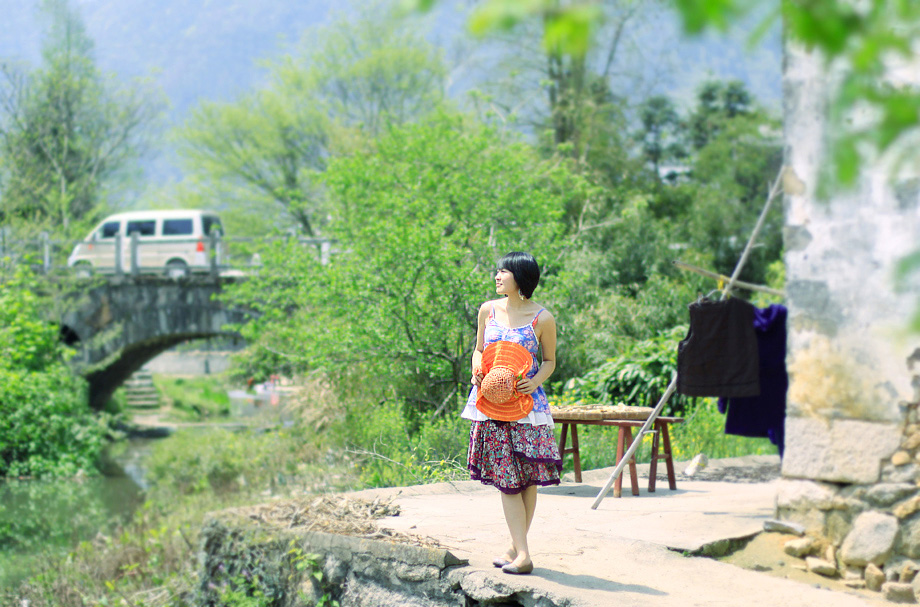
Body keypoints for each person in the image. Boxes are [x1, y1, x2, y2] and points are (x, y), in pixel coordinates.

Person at [461, 251, 562, 575]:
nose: (497, 276)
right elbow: (479, 350)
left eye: (504, 271)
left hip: (527, 407)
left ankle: (519, 552)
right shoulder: (488, 310)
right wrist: (477, 369)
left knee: (528, 480)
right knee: (508, 479)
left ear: (521, 277)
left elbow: (550, 361)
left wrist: (535, 381)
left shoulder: (542, 318)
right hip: (491, 404)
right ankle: (520, 553)